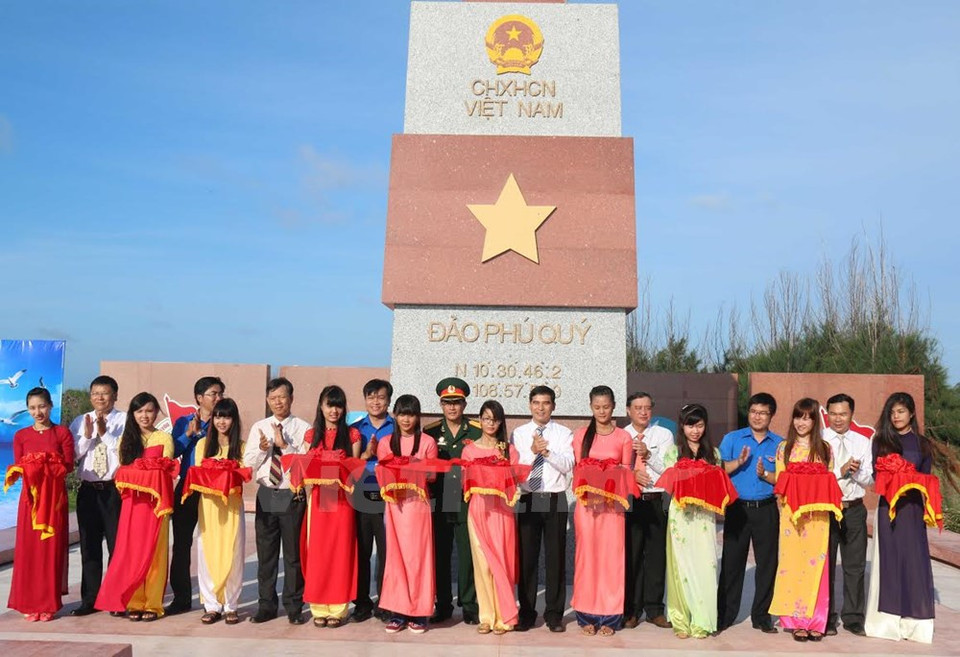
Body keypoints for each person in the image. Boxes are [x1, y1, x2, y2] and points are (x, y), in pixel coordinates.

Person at [96, 392, 175, 621]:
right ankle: (133, 601)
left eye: (149, 410)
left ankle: (152, 603)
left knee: (155, 553)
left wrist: (141, 471)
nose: (144, 416)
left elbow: (162, 469)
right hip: (132, 504)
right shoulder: (126, 439)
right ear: (132, 414)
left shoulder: (164, 438)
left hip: (156, 505)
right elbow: (123, 470)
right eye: (139, 411)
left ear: (156, 412)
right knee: (130, 552)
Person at [865, 392, 935, 643]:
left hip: (914, 510)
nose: (896, 417)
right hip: (889, 509)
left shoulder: (923, 444)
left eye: (901, 412)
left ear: (912, 413)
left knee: (914, 561)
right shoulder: (881, 441)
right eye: (893, 412)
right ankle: (886, 622)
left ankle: (915, 623)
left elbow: (927, 479)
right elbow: (876, 475)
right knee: (890, 560)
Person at [243, 377, 311, 625]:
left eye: (282, 397)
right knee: (267, 555)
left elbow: (307, 464)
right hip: (267, 494)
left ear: (291, 398)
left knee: (293, 555)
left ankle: (294, 606)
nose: (278, 402)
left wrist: (285, 446)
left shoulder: (303, 428)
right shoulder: (259, 426)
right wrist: (263, 449)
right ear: (267, 400)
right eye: (273, 398)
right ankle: (266, 606)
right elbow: (248, 463)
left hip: (291, 494)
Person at [769, 398, 835, 641]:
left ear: (816, 421)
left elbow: (829, 483)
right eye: (798, 416)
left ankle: (817, 620)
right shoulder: (784, 448)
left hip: (818, 517)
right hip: (792, 518)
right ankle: (796, 620)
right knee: (794, 565)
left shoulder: (825, 449)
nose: (802, 422)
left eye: (808, 417)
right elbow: (780, 483)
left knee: (817, 566)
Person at [717, 392, 783, 633]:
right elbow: (718, 469)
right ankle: (724, 614)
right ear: (749, 413)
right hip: (737, 509)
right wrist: (738, 462)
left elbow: (785, 478)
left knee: (767, 564)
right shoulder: (732, 439)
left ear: (771, 415)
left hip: (766, 509)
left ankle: (762, 615)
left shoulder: (780, 444)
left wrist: (766, 475)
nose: (757, 416)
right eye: (754, 412)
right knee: (732, 563)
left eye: (763, 413)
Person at [7, 387, 74, 621]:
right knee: (29, 552)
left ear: (50, 406)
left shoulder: (62, 433)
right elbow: (20, 468)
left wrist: (47, 462)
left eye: (42, 406)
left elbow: (67, 466)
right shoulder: (21, 436)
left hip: (54, 501)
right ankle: (30, 602)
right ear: (27, 409)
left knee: (50, 552)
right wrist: (33, 465)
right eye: (33, 408)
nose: (38, 412)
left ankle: (48, 603)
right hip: (31, 502)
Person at [570, 386, 633, 637]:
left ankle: (610, 616)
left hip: (613, 507)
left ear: (614, 406)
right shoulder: (581, 435)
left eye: (606, 406)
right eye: (597, 407)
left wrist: (611, 471)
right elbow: (578, 469)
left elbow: (627, 470)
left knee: (611, 560)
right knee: (587, 559)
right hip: (587, 507)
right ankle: (586, 614)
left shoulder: (623, 437)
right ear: (590, 407)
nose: (602, 411)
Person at [512, 385, 575, 633]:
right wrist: (532, 452)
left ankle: (554, 614)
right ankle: (526, 613)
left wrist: (546, 452)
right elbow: (516, 467)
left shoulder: (563, 433)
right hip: (529, 498)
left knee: (555, 558)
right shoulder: (518, 433)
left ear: (553, 406)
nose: (541, 407)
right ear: (529, 405)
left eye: (546, 403)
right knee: (527, 558)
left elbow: (568, 464)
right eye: (536, 403)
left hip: (553, 498)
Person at [376, 394, 439, 634]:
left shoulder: (428, 442)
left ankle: (420, 612)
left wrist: (412, 465)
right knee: (395, 558)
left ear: (417, 416)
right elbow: (384, 475)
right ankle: (397, 611)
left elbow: (432, 475)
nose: (406, 419)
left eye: (411, 414)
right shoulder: (385, 443)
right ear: (395, 415)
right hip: (395, 506)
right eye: (402, 413)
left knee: (419, 559)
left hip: (418, 506)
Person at [302, 385, 361, 628]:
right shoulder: (311, 435)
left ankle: (338, 608)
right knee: (318, 552)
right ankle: (318, 606)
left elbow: (355, 472)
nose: (334, 410)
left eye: (338, 405)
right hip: (318, 500)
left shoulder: (353, 435)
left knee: (340, 552)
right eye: (329, 405)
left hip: (342, 500)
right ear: (321, 406)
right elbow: (305, 469)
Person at [460, 400, 521, 635]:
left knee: (501, 564)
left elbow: (515, 482)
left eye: (495, 419)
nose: (490, 423)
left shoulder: (509, 450)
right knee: (482, 565)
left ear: (500, 422)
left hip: (502, 513)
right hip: (478, 510)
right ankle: (486, 616)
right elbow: (467, 481)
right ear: (480, 420)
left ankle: (505, 617)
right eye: (486, 418)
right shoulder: (469, 450)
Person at [424, 376, 481, 625]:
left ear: (465, 404)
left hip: (467, 501)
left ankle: (469, 604)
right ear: (440, 404)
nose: (452, 407)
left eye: (457, 402)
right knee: (441, 554)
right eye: (447, 403)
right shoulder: (430, 432)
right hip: (439, 502)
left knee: (468, 555)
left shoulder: (478, 431)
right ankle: (443, 604)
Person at [662, 403, 723, 639]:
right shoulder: (673, 452)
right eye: (690, 425)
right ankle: (680, 619)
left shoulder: (714, 454)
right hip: (681, 517)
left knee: (706, 567)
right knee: (681, 568)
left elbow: (718, 486)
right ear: (682, 426)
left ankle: (703, 620)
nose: (695, 430)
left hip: (705, 518)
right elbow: (671, 484)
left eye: (699, 425)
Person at [167, 376, 225, 615]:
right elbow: (171, 451)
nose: (218, 398)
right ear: (199, 398)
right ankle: (181, 598)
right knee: (181, 544)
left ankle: (214, 600)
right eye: (213, 393)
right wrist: (188, 435)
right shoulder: (184, 422)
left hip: (213, 489)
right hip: (187, 488)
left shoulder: (224, 422)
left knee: (213, 543)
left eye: (221, 393)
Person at [68, 375, 126, 616]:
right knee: (89, 547)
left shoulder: (125, 420)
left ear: (115, 396)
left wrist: (105, 433)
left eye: (105, 393)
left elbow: (125, 454)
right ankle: (89, 600)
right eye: (95, 393)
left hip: (114, 490)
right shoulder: (81, 421)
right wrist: (90, 435)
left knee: (116, 547)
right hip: (89, 491)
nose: (100, 398)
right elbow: (74, 455)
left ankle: (115, 598)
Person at [192, 398, 246, 625]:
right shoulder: (203, 445)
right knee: (207, 554)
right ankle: (212, 605)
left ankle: (231, 605)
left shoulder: (241, 447)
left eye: (226, 416)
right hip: (209, 507)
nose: (221, 422)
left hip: (232, 507)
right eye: (218, 416)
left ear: (234, 420)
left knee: (233, 555)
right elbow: (198, 475)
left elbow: (244, 475)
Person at [822, 393, 872, 637]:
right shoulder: (818, 440)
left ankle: (853, 618)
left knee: (855, 566)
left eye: (843, 414)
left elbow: (870, 479)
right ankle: (827, 617)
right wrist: (839, 472)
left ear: (852, 414)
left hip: (853, 508)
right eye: (833, 413)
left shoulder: (863, 442)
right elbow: (816, 478)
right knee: (826, 565)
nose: (838, 418)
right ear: (826, 414)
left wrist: (857, 471)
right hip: (827, 509)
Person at [623, 391, 673, 629]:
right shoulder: (621, 435)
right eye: (637, 407)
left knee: (655, 555)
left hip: (656, 498)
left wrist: (648, 454)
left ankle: (654, 609)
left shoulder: (663, 434)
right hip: (631, 500)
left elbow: (669, 469)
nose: (643, 412)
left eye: (647, 407)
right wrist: (632, 474)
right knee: (632, 555)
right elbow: (615, 468)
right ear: (627, 410)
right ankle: (631, 610)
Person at [349, 378, 393, 623]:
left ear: (388, 401)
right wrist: (366, 456)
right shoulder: (355, 429)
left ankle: (385, 602)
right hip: (361, 497)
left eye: (381, 397)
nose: (376, 402)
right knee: (362, 552)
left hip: (388, 497)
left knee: (387, 554)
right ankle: (362, 603)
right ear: (365, 400)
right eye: (371, 397)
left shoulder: (396, 428)